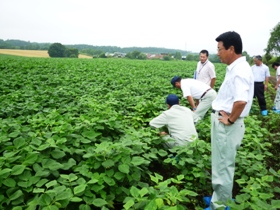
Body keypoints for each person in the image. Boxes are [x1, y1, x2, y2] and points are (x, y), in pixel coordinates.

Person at [208, 31, 254, 210]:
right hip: (223, 122)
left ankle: (219, 206)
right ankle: (218, 198)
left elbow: (241, 100)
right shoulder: (235, 68)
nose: (218, 52)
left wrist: (231, 120)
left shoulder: (240, 70)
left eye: (220, 49)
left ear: (231, 48)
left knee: (223, 167)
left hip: (226, 126)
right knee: (220, 164)